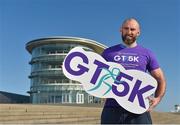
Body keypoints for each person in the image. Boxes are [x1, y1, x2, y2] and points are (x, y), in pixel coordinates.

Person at [101, 18, 166, 124]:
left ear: (138, 32)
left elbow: (160, 79)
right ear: (120, 30)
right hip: (112, 109)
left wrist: (157, 99)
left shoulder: (147, 53)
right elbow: (96, 74)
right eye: (126, 28)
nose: (129, 32)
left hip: (138, 109)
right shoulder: (108, 53)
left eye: (132, 29)